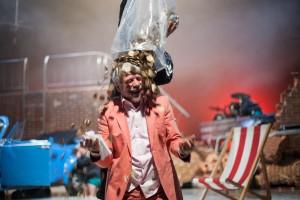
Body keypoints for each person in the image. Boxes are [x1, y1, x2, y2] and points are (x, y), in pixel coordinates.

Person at [81, 50, 194, 200]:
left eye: (138, 78)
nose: (135, 84)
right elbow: (107, 160)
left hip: (159, 190)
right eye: (129, 81)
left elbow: (173, 138)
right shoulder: (107, 112)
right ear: (118, 86)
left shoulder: (161, 104)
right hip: (126, 192)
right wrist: (97, 151)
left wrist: (182, 148)